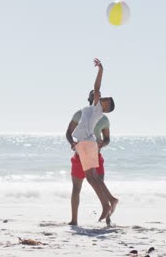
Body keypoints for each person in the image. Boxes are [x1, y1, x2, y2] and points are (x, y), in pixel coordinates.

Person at [71, 58, 118, 223]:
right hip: (84, 142)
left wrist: (100, 70)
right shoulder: (93, 109)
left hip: (88, 142)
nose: (103, 97)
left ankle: (108, 203)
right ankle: (110, 201)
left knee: (93, 178)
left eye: (106, 99)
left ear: (105, 106)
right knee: (92, 177)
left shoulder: (98, 108)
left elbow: (97, 87)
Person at [66, 90, 111, 226]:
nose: (96, 95)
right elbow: (68, 133)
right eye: (93, 94)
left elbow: (107, 138)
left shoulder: (103, 119)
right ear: (89, 98)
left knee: (100, 186)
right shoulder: (80, 114)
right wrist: (72, 143)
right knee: (76, 188)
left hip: (96, 155)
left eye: (97, 94)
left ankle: (108, 219)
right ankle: (74, 220)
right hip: (79, 155)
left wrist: (103, 143)